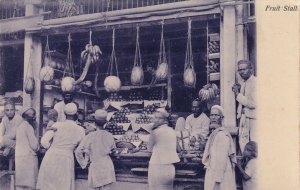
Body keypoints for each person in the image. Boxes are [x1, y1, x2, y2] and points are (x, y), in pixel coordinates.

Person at [37, 103, 85, 190]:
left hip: (51, 156)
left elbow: (43, 141)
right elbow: (81, 149)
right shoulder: (80, 130)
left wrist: (51, 147)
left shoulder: (57, 125)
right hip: (66, 158)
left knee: (48, 186)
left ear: (64, 113)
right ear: (76, 114)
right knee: (63, 185)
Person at [75, 109, 116, 190]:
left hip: (96, 166)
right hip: (107, 166)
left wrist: (84, 164)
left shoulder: (90, 136)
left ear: (94, 122)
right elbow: (113, 150)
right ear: (105, 122)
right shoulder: (110, 135)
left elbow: (78, 151)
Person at [202, 105, 237, 190]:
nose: (213, 117)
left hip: (220, 177)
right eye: (212, 115)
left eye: (216, 115)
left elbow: (222, 160)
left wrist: (217, 182)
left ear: (221, 117)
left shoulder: (222, 135)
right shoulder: (215, 133)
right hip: (214, 172)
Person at [147, 109, 180, 190]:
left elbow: (149, 150)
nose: (155, 120)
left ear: (164, 120)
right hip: (170, 168)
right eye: (155, 117)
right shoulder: (172, 131)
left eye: (158, 118)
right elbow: (178, 148)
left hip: (157, 167)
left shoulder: (155, 132)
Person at [232, 60, 256, 152]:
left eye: (244, 69)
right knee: (243, 144)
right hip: (243, 118)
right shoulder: (242, 83)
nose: (241, 72)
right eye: (240, 70)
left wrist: (237, 94)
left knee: (254, 143)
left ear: (251, 69)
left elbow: (253, 103)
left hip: (253, 118)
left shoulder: (255, 82)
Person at [15, 108, 39, 190]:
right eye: (33, 115)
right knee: (30, 185)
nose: (34, 117)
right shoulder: (28, 127)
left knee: (20, 184)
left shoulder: (20, 127)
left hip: (20, 157)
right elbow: (34, 146)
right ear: (27, 116)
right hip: (28, 158)